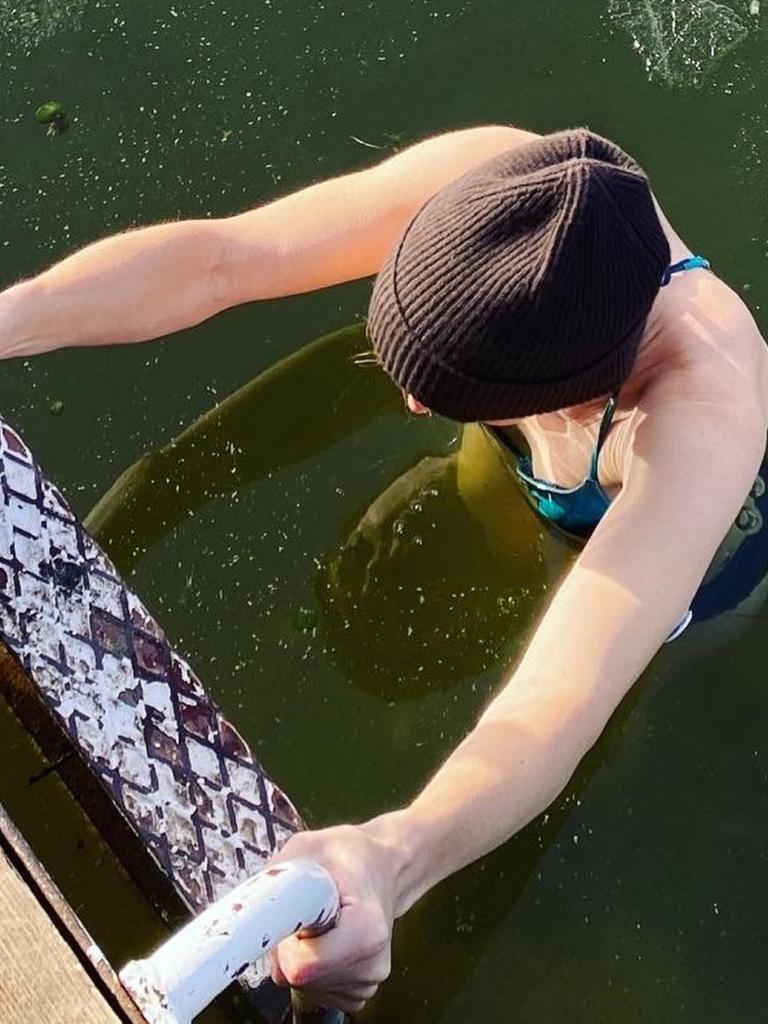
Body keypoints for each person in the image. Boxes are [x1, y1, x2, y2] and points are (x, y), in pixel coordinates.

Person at [1, 124, 766, 1015]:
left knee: (605, 739)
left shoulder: (702, 414)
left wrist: (394, 859)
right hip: (539, 456)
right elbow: (221, 258)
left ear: (581, 389)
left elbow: (560, 705)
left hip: (696, 577)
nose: (407, 402)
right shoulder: (505, 190)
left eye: (448, 389)